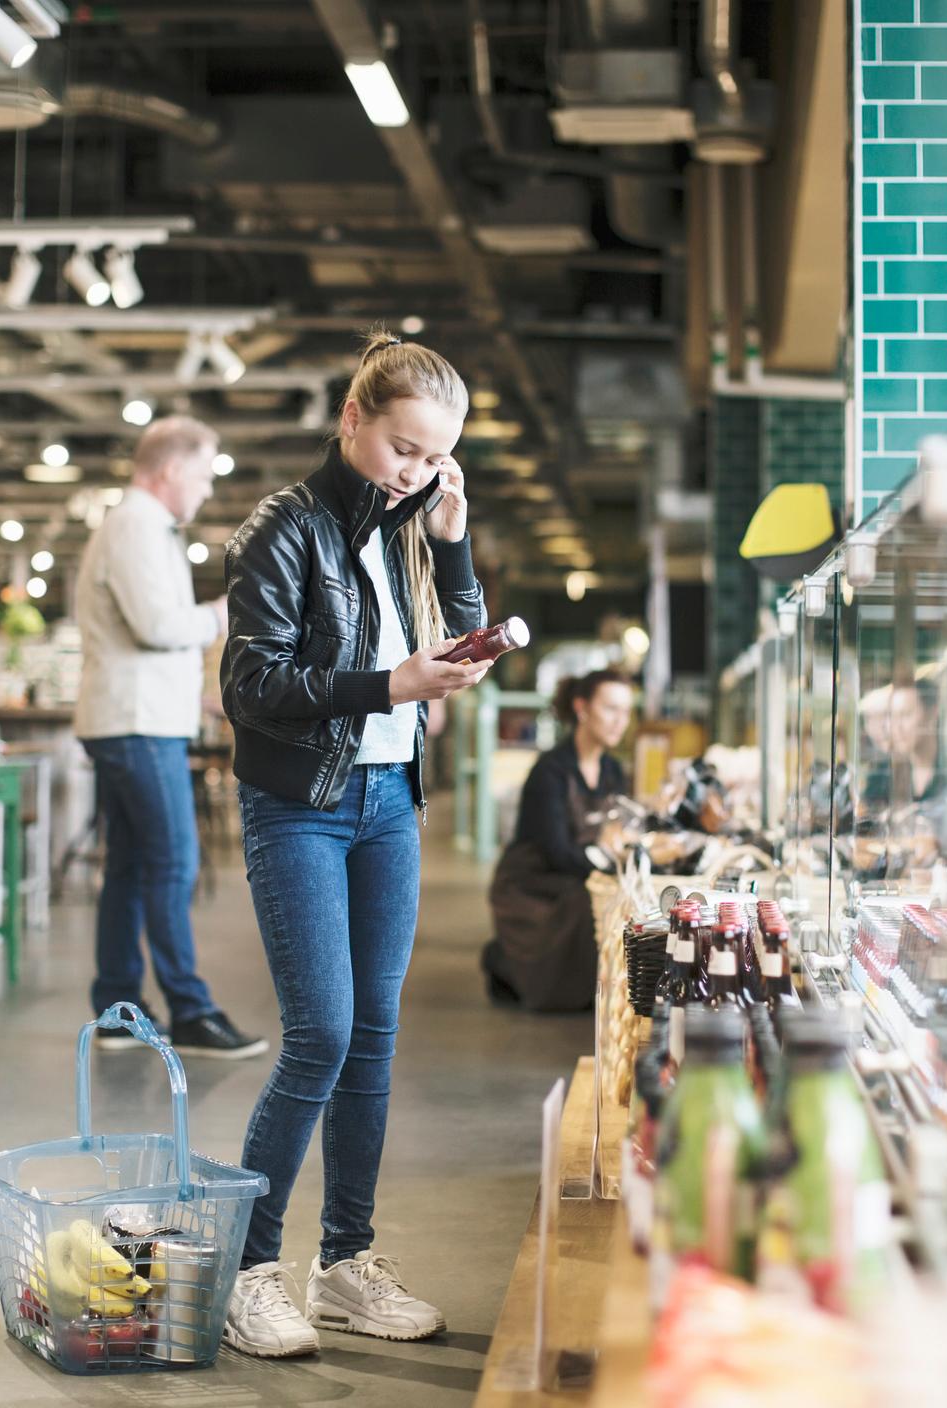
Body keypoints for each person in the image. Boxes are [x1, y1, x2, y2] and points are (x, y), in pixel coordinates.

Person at [218, 330, 491, 1358]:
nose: (415, 470)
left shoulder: (407, 525)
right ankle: (249, 1272)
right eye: (402, 449)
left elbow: (455, 641)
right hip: (300, 805)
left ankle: (344, 1264)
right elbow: (248, 686)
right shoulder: (280, 532)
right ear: (352, 420)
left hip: (389, 801)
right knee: (321, 1036)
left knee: (374, 1034)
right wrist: (392, 687)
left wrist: (453, 539)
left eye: (433, 457)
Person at [73, 416, 265, 1059]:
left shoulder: (140, 527)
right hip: (135, 725)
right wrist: (222, 611)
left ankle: (117, 1010)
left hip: (135, 719)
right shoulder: (135, 525)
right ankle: (190, 1010)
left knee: (130, 868)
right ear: (172, 469)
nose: (208, 490)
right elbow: (157, 625)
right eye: (205, 475)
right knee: (174, 863)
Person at [482, 670, 634, 1012]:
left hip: (579, 868)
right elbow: (555, 851)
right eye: (610, 708)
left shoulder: (613, 770)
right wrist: (606, 861)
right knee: (592, 902)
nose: (619, 721)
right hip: (536, 883)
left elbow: (617, 828)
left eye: (625, 712)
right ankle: (505, 963)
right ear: (582, 708)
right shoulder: (550, 771)